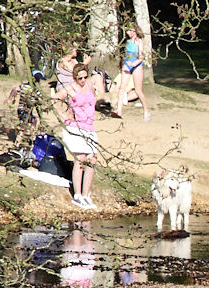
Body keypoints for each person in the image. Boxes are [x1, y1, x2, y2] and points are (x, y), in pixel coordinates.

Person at [52, 62, 105, 209]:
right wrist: (63, 116)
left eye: (85, 77)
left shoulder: (89, 87)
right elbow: (53, 100)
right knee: (80, 158)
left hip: (88, 126)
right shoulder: (70, 89)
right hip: (75, 126)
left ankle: (86, 194)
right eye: (80, 78)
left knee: (92, 159)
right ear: (75, 78)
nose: (82, 80)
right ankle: (78, 195)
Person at [115, 26, 152, 121]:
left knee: (138, 90)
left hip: (136, 66)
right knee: (122, 88)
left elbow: (141, 57)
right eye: (127, 30)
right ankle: (119, 111)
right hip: (127, 64)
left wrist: (134, 63)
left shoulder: (139, 41)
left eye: (130, 30)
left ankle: (146, 111)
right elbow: (127, 55)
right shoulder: (127, 41)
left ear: (135, 31)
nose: (128, 32)